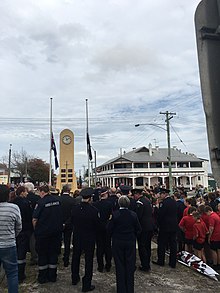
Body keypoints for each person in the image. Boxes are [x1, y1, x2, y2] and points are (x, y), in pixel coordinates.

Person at [107, 196, 141, 293]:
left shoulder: (115, 214)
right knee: (130, 266)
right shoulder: (133, 215)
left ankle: (121, 289)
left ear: (119, 204)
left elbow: (109, 228)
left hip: (118, 241)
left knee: (120, 265)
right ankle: (130, 289)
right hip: (130, 241)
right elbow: (139, 229)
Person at [71, 187, 100, 292]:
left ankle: (74, 277)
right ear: (90, 198)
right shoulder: (94, 211)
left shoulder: (75, 209)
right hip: (89, 238)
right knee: (88, 261)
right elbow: (97, 225)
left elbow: (72, 221)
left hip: (77, 236)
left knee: (75, 258)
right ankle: (86, 284)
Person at [32, 184, 63, 283]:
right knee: (53, 254)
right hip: (56, 233)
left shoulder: (40, 202)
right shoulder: (57, 201)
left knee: (42, 255)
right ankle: (52, 276)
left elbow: (34, 219)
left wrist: (36, 230)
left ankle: (42, 277)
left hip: (43, 234)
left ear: (42, 192)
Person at [0, 184, 22, 293]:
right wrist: (12, 236)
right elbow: (19, 227)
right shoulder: (13, 208)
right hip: (9, 244)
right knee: (12, 273)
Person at [152, 188, 178, 268]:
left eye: (161, 194)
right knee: (173, 244)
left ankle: (161, 260)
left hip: (165, 226)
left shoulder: (163, 203)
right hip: (173, 226)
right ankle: (172, 262)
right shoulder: (174, 202)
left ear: (164, 194)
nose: (160, 196)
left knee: (162, 244)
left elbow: (160, 215)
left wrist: (158, 224)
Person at [13, 186, 33, 283]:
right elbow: (29, 216)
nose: (27, 193)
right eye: (26, 192)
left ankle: (13, 273)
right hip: (24, 231)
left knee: (15, 252)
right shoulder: (26, 203)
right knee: (22, 253)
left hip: (13, 232)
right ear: (21, 193)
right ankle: (20, 274)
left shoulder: (12, 203)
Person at [93, 187, 113, 272]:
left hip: (98, 227)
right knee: (108, 246)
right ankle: (108, 265)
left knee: (99, 247)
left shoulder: (95, 204)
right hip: (107, 226)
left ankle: (100, 266)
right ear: (106, 194)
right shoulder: (110, 204)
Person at [134, 188, 154, 272]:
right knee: (147, 246)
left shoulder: (140, 202)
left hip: (143, 227)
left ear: (137, 194)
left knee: (142, 246)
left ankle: (145, 265)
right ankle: (147, 262)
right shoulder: (147, 200)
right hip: (150, 226)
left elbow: (138, 216)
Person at [59, 184, 75, 267]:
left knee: (58, 240)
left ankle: (57, 255)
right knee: (67, 241)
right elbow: (73, 214)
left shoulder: (58, 200)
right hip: (69, 223)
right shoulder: (73, 201)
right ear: (69, 191)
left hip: (59, 222)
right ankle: (66, 258)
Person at [204, 205, 220, 270]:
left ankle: (215, 264)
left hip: (214, 236)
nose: (207, 215)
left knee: (213, 250)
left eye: (206, 213)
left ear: (208, 211)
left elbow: (211, 228)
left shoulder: (211, 217)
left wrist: (209, 237)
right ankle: (219, 263)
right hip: (218, 234)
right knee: (219, 250)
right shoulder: (216, 215)